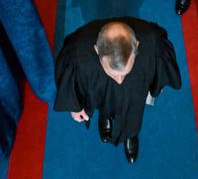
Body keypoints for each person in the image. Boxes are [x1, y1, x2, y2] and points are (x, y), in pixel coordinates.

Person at [54, 18, 181, 164]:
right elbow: (70, 82)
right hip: (100, 87)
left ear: (137, 46)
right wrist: (75, 107)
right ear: (97, 50)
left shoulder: (152, 42)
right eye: (114, 73)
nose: (120, 80)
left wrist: (156, 84)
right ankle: (106, 116)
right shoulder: (77, 53)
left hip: (134, 90)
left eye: (124, 73)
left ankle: (131, 134)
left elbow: (161, 69)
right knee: (102, 100)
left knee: (134, 112)